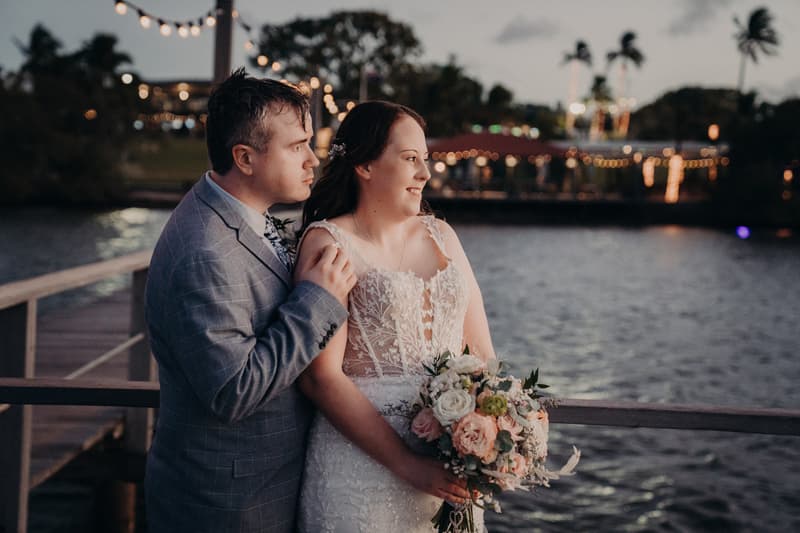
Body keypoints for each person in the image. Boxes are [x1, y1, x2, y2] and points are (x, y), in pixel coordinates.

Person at [143, 68, 356, 533]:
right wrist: (317, 300)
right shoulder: (205, 251)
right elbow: (233, 390)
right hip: (227, 504)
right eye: (297, 146)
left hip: (265, 486)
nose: (312, 161)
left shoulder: (239, 216)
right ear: (245, 157)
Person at [295, 101, 497, 531]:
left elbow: (480, 352)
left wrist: (491, 428)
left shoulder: (442, 235)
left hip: (449, 468)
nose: (425, 173)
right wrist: (409, 465)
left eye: (425, 160)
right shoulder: (328, 242)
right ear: (365, 165)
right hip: (360, 472)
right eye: (410, 160)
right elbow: (320, 377)